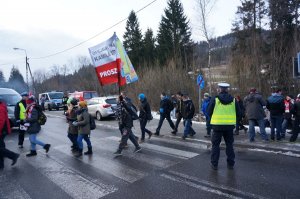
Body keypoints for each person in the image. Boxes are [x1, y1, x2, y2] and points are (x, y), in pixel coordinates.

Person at [207, 83, 240, 170]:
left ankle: (214, 164)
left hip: (217, 126)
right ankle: (231, 164)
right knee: (229, 145)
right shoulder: (233, 100)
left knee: (215, 145)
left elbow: (209, 111)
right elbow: (239, 113)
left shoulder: (215, 99)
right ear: (227, 89)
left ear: (219, 89)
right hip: (229, 127)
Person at [0, 97, 19, 170]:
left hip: (2, 130)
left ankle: (13, 156)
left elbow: (1, 121)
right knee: (1, 147)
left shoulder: (1, 108)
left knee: (1, 148)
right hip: (2, 130)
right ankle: (1, 165)